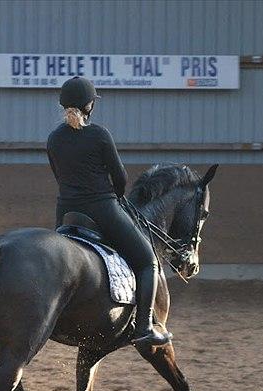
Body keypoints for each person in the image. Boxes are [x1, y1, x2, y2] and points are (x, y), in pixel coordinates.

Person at [47, 76, 172, 347]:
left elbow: (59, 175)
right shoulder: (99, 135)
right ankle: (143, 328)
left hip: (66, 212)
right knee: (147, 261)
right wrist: (114, 195)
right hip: (101, 208)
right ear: (89, 106)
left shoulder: (54, 138)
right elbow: (121, 177)